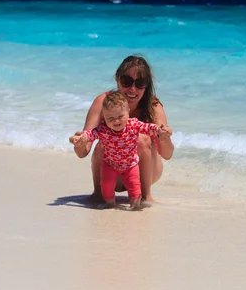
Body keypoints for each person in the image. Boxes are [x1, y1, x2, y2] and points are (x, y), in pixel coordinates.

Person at [72, 55, 175, 203]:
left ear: (146, 85)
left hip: (143, 171)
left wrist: (165, 138)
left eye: (140, 83)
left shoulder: (153, 106)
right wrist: (80, 144)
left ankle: (146, 195)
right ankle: (98, 192)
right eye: (127, 81)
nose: (132, 89)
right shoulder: (103, 102)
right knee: (104, 142)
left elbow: (167, 154)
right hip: (110, 170)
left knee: (141, 138)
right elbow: (83, 152)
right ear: (117, 79)